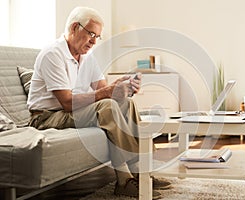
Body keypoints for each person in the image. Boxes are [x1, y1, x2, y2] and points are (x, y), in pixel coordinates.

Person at [27, 6, 170, 199]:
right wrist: (109, 92)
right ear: (74, 28)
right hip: (47, 116)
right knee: (108, 107)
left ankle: (142, 173)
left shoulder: (87, 56)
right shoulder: (53, 54)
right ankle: (125, 180)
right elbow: (68, 103)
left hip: (71, 111)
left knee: (127, 104)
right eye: (91, 34)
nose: (94, 41)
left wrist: (123, 87)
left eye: (97, 37)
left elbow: (103, 89)